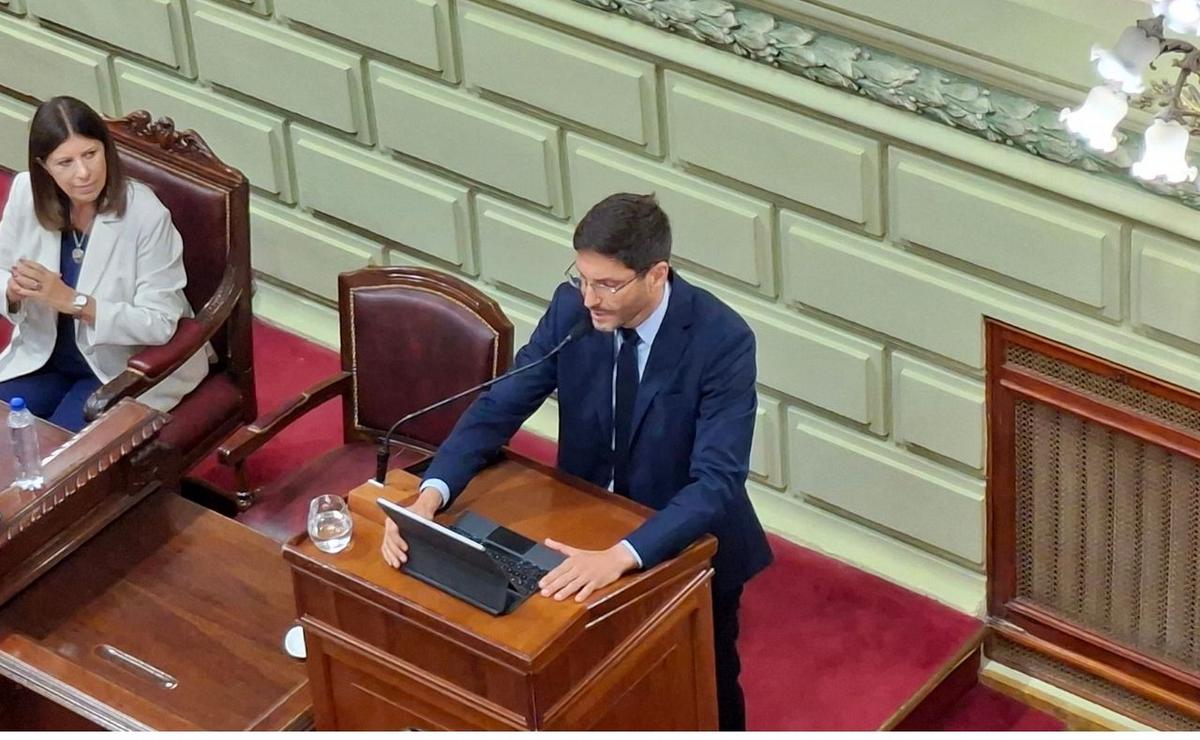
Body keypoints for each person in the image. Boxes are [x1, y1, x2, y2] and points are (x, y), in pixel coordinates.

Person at [380, 192, 773, 730]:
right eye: (582, 277)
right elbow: (502, 403)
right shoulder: (572, 311)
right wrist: (432, 492)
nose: (590, 297)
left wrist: (622, 555)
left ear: (657, 274)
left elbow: (717, 482)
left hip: (682, 541)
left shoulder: (721, 340)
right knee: (591, 677)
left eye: (608, 284)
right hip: (583, 519)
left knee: (704, 681)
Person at [0, 96, 208, 431]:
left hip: (117, 367)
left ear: (106, 150)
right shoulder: (27, 192)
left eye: (90, 154)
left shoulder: (145, 214)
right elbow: (1, 269)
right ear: (44, 167)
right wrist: (12, 291)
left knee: (62, 464)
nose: (83, 173)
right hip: (43, 358)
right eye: (64, 162)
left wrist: (73, 301)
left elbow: (160, 322)